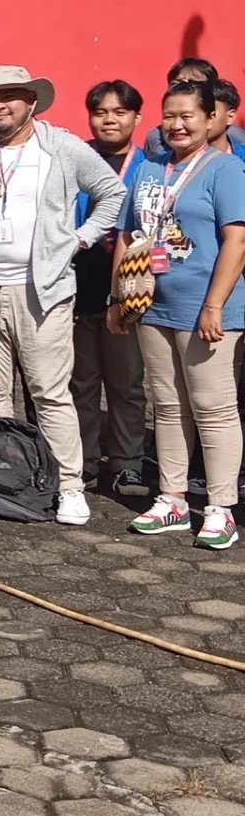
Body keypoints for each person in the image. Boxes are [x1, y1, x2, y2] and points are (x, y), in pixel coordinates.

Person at [0, 65, 126, 526]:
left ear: (32, 102)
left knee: (49, 393)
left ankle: (70, 486)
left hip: (42, 289)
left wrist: (79, 239)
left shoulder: (59, 148)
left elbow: (111, 193)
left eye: (9, 96)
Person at [113, 80, 245, 551]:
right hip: (153, 305)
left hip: (208, 310)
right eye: (169, 115)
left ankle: (220, 506)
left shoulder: (226, 170)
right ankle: (171, 498)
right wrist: (119, 299)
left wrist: (214, 305)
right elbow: (130, 236)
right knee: (167, 406)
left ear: (211, 119)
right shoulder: (150, 170)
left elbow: (238, 240)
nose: (177, 124)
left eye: (188, 115)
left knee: (213, 408)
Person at [70, 80, 148, 496]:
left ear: (136, 117)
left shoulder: (151, 165)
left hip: (129, 294)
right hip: (77, 289)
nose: (109, 119)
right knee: (80, 382)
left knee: (127, 384)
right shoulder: (75, 159)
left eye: (119, 112)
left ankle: (127, 463)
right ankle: (81, 462)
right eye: (101, 112)